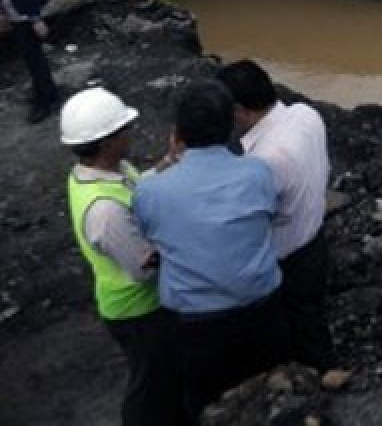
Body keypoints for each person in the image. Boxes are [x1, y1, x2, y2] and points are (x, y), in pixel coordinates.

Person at [133, 80, 286, 422]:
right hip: (262, 310)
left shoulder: (152, 191)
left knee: (203, 399)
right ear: (232, 125)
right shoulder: (258, 172)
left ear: (177, 134)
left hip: (196, 324)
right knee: (264, 394)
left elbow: (149, 233)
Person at [62, 88, 186, 426]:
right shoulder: (105, 212)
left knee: (162, 377)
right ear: (106, 142)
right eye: (123, 129)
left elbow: (138, 187)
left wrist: (169, 162)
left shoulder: (103, 172)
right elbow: (146, 268)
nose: (130, 133)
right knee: (150, 385)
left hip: (136, 306)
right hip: (138, 310)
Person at [216, 60, 334, 372]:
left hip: (287, 259)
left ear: (240, 110)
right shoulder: (305, 114)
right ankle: (324, 372)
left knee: (293, 331)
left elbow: (248, 221)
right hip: (315, 238)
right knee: (312, 319)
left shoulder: (264, 161)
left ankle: (309, 386)